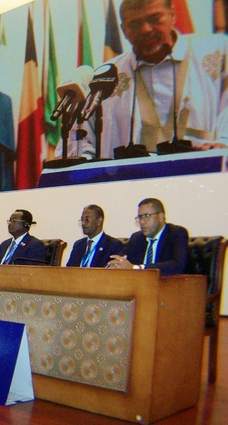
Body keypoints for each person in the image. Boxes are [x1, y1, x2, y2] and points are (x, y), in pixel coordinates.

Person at [55, 0, 228, 160]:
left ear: (172, 15)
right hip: (129, 181)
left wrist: (223, 144)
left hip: (206, 176)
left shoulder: (218, 54)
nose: (145, 29)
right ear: (124, 30)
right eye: (135, 24)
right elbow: (76, 140)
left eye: (155, 18)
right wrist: (87, 160)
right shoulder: (106, 77)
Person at [107, 198, 188, 276]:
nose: (142, 222)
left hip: (166, 283)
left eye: (147, 216)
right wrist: (116, 264)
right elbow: (122, 258)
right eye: (140, 217)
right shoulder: (137, 238)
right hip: (139, 284)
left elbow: (178, 265)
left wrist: (137, 268)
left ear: (161, 217)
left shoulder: (176, 233)